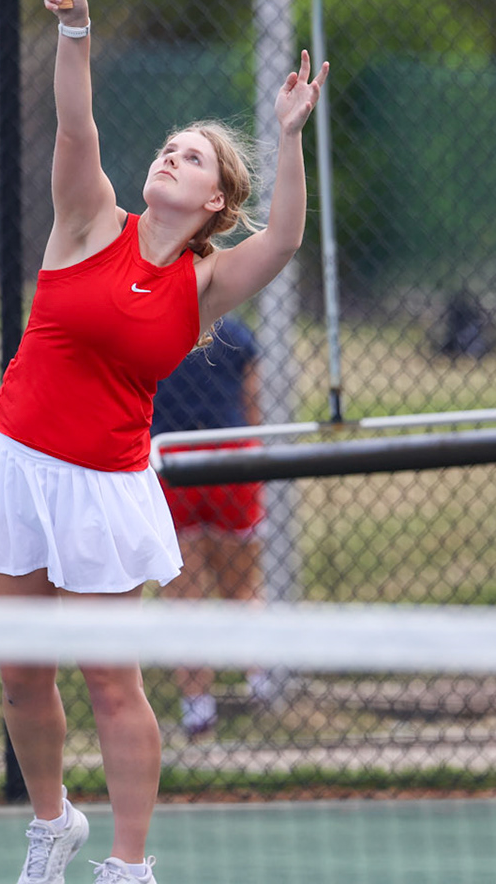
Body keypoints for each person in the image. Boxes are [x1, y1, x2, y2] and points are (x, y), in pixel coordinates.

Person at [0, 0, 326, 884]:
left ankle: (126, 863)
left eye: (193, 157)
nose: (172, 155)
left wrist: (287, 138)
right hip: (14, 465)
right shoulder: (87, 219)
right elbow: (76, 122)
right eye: (169, 146)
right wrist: (76, 30)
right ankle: (52, 826)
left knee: (112, 683)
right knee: (19, 675)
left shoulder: (202, 285)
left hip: (104, 492)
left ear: (213, 204)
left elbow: (281, 241)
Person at [151, 314, 277, 738]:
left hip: (170, 460)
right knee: (242, 586)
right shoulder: (236, 332)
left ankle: (197, 709)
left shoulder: (150, 326)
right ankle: (261, 684)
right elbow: (252, 406)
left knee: (184, 596)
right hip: (230, 459)